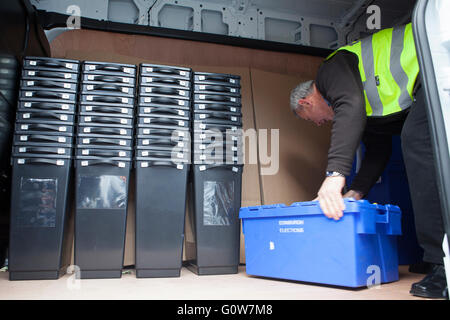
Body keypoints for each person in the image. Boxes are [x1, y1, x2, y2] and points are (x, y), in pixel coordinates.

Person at [290, 22, 447, 299]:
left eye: (312, 121)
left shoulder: (330, 69)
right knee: (418, 142)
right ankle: (437, 255)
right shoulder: (365, 108)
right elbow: (378, 151)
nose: (320, 124)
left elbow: (350, 102)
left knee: (417, 140)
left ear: (306, 103)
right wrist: (356, 191)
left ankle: (442, 266)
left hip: (436, 50)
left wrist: (335, 174)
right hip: (428, 71)